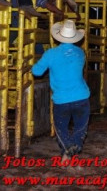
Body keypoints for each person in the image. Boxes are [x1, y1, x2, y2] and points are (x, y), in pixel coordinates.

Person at [32, 20, 90, 163]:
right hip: (81, 96)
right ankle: (74, 148)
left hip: (61, 98)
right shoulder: (80, 53)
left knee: (61, 127)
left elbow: (36, 72)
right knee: (80, 127)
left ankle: (67, 149)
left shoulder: (51, 53)